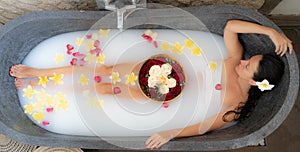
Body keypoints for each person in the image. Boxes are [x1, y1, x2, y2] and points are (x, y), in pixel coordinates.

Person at [10, 20, 293, 150]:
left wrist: (169, 133)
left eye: (248, 67)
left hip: (157, 96)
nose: (242, 62)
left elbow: (204, 126)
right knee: (103, 69)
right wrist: (268, 30)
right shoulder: (233, 60)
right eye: (249, 59)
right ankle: (38, 71)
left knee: (102, 89)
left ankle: (45, 89)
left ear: (256, 83)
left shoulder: (236, 103)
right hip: (161, 66)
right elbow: (231, 26)